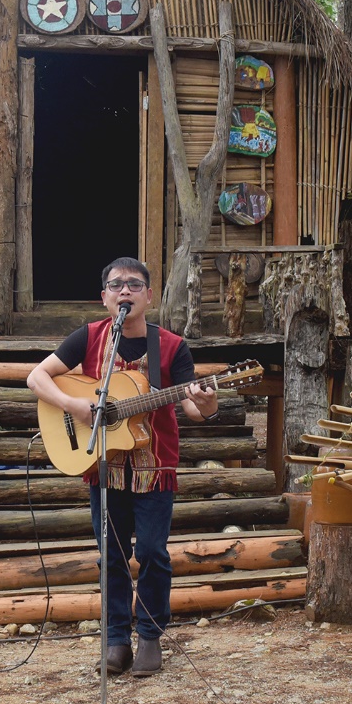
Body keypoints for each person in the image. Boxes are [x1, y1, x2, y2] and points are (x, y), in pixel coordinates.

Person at [27, 257, 218, 676]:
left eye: (134, 284)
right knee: (110, 555)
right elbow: (36, 378)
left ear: (150, 296)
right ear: (105, 298)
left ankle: (149, 637)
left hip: (155, 467)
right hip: (104, 465)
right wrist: (74, 405)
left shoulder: (170, 346)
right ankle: (116, 641)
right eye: (116, 286)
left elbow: (190, 405)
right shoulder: (91, 336)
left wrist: (207, 402)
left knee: (151, 551)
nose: (125, 291)